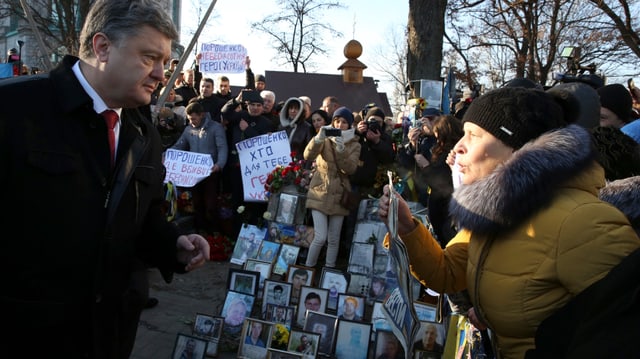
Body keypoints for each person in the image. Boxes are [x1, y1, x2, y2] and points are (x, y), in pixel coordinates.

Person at [0, 1, 212, 358]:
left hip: (111, 334)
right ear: (102, 47)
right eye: (149, 57)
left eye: (165, 61)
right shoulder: (14, 110)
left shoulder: (145, 133)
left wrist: (173, 244)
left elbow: (142, 218)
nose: (162, 73)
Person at [377, 87, 640, 359]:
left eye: (474, 135)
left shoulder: (584, 223)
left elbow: (621, 338)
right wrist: (406, 227)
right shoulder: (491, 210)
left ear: (518, 150)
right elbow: (447, 272)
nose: (458, 147)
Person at [304, 107, 361, 268]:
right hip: (320, 190)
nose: (340, 125)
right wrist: (318, 139)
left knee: (334, 238)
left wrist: (341, 149)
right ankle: (308, 270)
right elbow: (308, 156)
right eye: (337, 121)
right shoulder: (326, 137)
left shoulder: (355, 144)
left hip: (340, 194)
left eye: (344, 122)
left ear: (349, 125)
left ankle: (328, 273)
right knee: (320, 237)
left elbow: (350, 169)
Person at [171, 102, 228, 235]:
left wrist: (219, 164)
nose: (192, 122)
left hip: (211, 172)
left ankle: (215, 232)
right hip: (194, 175)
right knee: (197, 204)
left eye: (194, 119)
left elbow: (222, 147)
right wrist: (165, 155)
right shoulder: (188, 129)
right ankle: (200, 231)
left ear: (202, 115)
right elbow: (179, 146)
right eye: (189, 119)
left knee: (211, 205)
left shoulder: (216, 128)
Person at [278, 97, 314, 162]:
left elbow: (309, 151)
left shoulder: (307, 128)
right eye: (291, 108)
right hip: (281, 165)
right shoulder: (281, 126)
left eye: (296, 109)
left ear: (301, 111)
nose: (293, 111)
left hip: (298, 167)